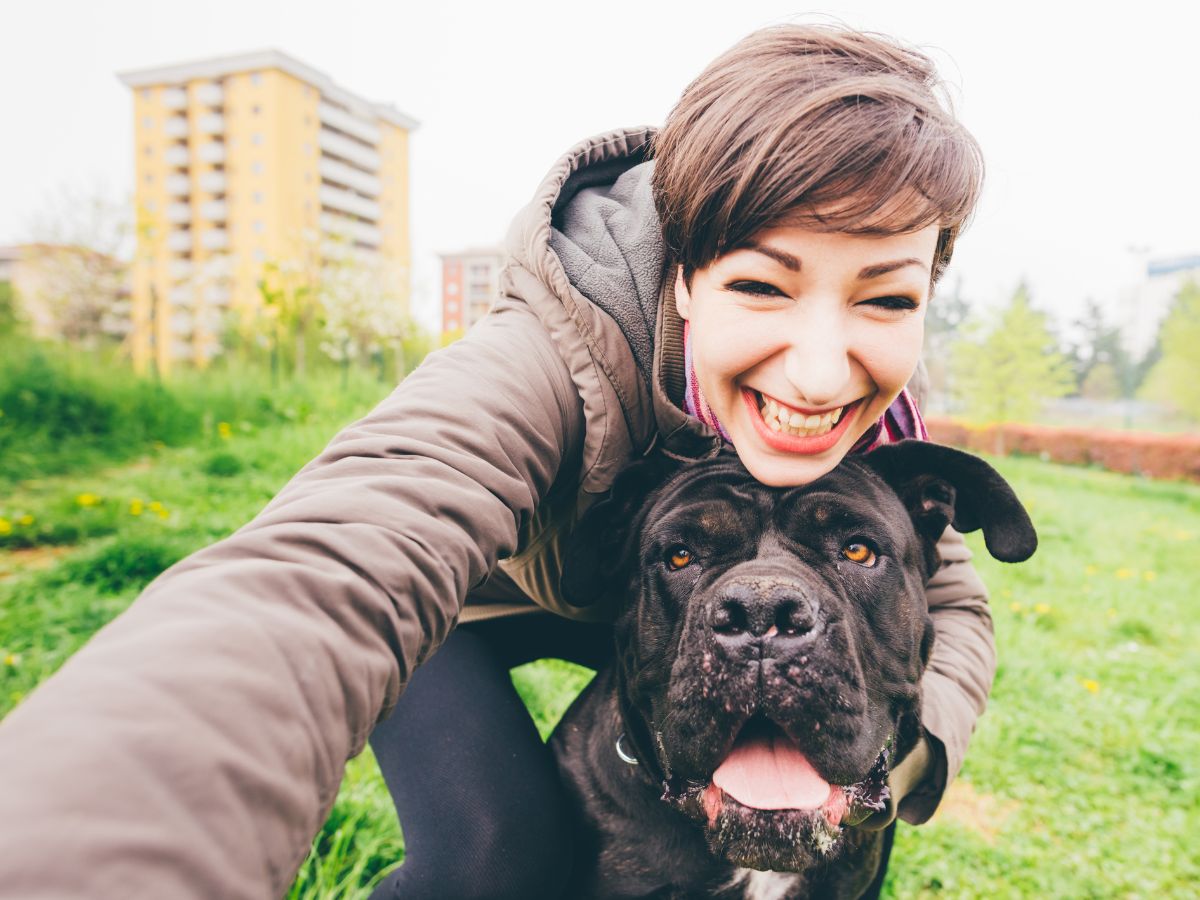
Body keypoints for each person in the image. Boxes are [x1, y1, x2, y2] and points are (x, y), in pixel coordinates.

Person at [0, 24, 990, 900]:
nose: (821, 374)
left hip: (649, 606)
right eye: (764, 285)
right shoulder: (554, 352)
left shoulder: (884, 416)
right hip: (467, 610)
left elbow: (951, 602)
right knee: (497, 862)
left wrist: (885, 761)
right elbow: (330, 570)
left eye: (886, 298)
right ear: (686, 279)